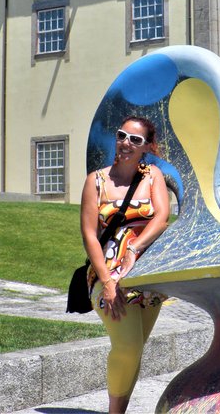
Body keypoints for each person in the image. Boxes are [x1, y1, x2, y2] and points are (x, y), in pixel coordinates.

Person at [79, 116, 170, 414]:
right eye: (121, 136)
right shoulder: (96, 181)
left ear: (147, 147)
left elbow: (161, 218)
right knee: (127, 346)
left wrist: (134, 248)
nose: (126, 143)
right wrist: (107, 281)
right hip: (108, 277)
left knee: (135, 349)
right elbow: (90, 237)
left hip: (147, 276)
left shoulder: (153, 176)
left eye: (135, 140)